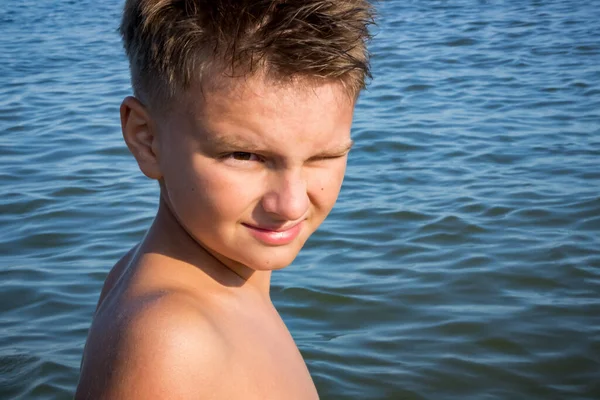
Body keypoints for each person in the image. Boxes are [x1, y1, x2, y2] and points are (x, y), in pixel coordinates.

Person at [76, 0, 373, 398]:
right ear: (146, 139)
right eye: (244, 156)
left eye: (325, 156)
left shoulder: (191, 280)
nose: (291, 205)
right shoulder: (171, 343)